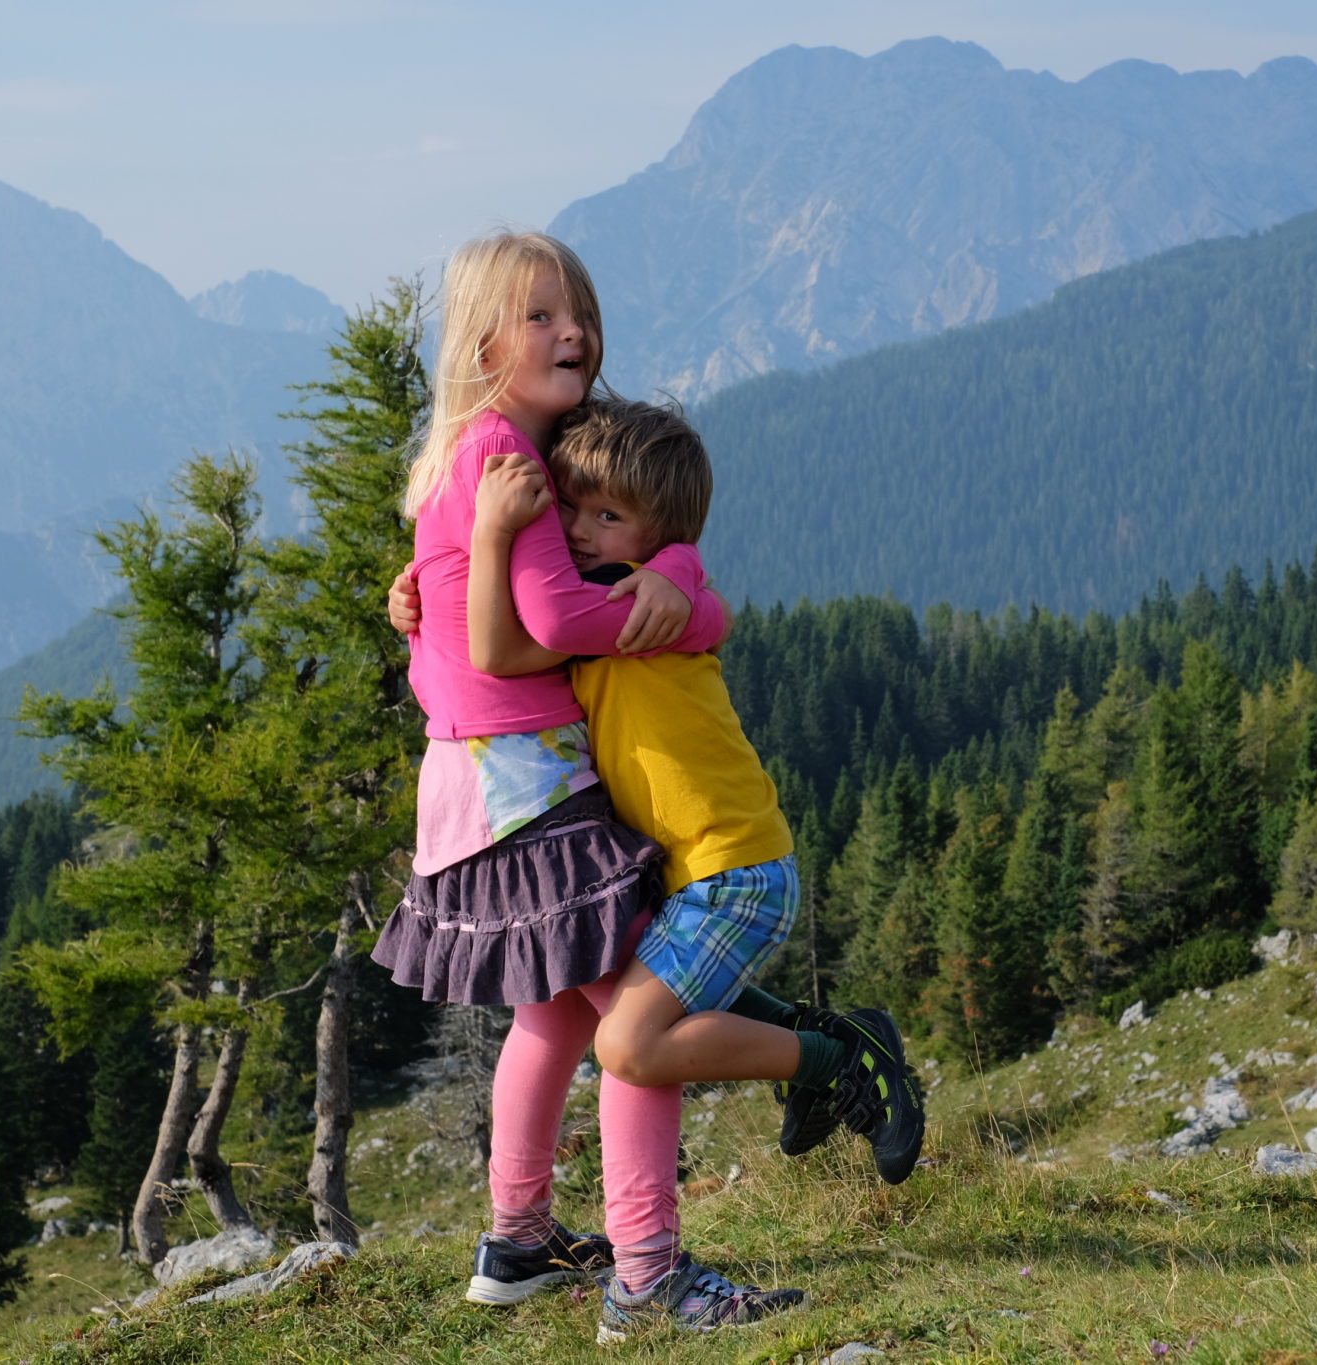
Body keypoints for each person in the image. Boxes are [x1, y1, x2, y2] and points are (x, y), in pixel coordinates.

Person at [390, 395, 928, 1342]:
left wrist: (671, 570)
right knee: (566, 1008)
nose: (579, 530)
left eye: (607, 517)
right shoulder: (604, 596)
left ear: (654, 535)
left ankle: (836, 1056)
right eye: (572, 508)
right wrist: (421, 593)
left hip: (737, 871)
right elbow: (489, 642)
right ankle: (543, 1242)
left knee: (627, 1043)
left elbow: (536, 628)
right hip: (694, 872)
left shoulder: (633, 608)